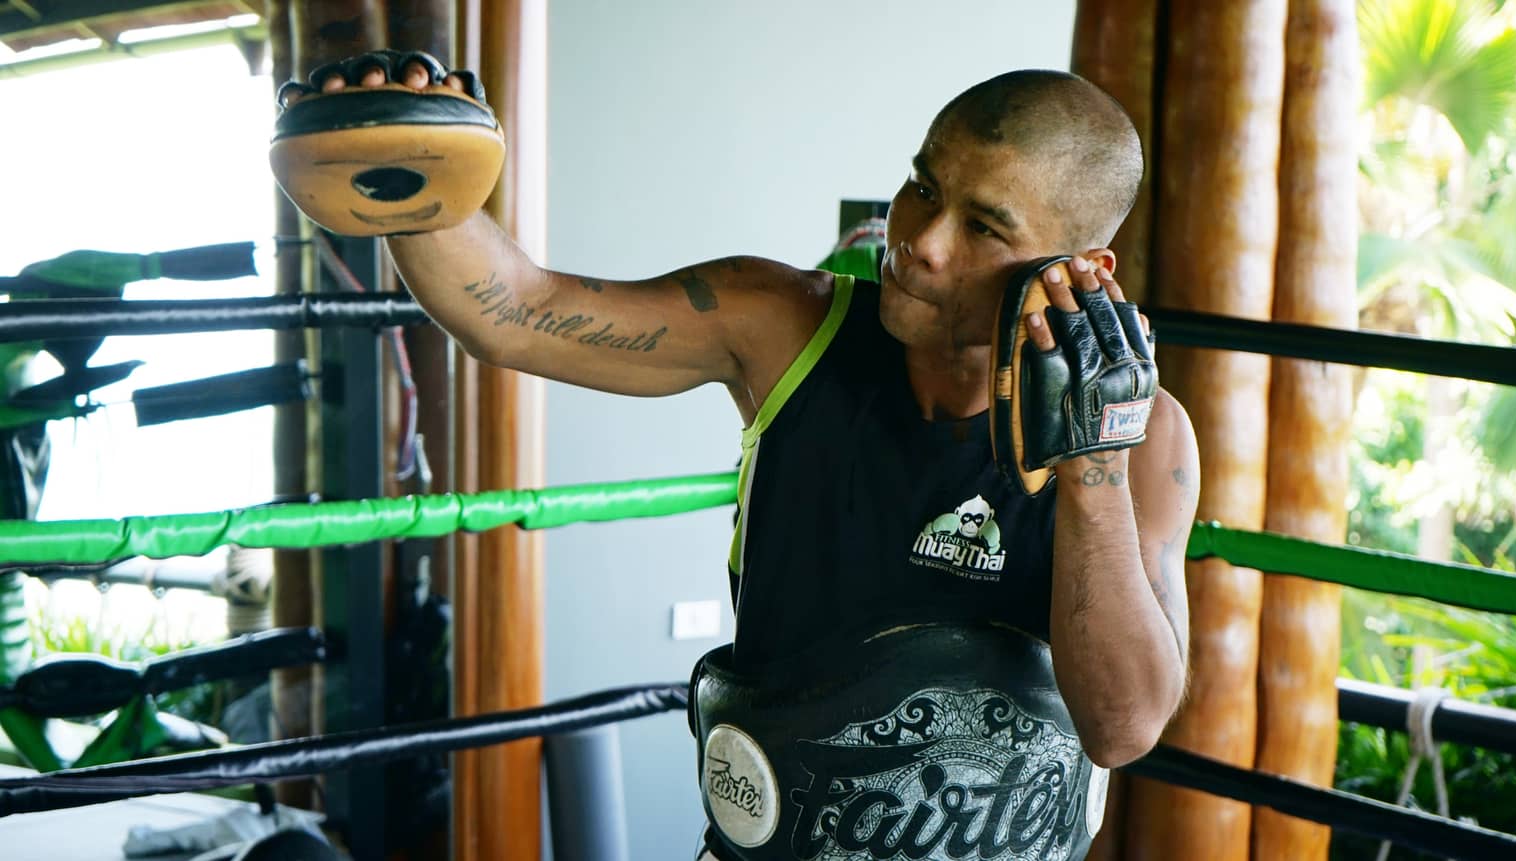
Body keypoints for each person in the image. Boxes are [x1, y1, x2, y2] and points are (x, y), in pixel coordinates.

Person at [283, 54, 1198, 861]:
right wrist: (407, 168)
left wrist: (1093, 464)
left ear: (1084, 268)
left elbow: (1122, 726)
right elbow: (514, 312)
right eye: (923, 185)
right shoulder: (784, 325)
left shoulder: (1148, 437)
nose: (918, 239)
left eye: (984, 227)